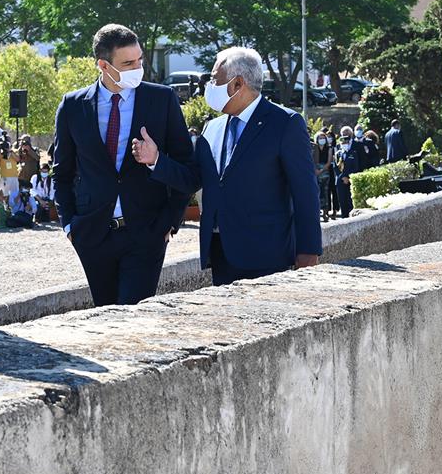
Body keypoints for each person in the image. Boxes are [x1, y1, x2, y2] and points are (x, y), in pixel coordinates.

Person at [138, 46, 320, 286]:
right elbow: (194, 178)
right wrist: (156, 161)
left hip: (267, 254)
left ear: (237, 84)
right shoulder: (211, 128)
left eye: (215, 79)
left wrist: (308, 251)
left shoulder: (284, 123)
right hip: (221, 252)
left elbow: (305, 192)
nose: (209, 86)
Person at [52, 23, 194, 306]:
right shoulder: (72, 106)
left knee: (134, 317)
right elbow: (61, 173)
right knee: (104, 317)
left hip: (146, 233)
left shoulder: (162, 100)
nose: (138, 67)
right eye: (128, 63)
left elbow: (188, 170)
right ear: (103, 65)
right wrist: (69, 225)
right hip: (92, 234)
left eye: (139, 60)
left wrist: (170, 219)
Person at [334, 127, 363, 218]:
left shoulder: (353, 153)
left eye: (346, 142)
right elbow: (336, 167)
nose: (344, 144)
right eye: (342, 142)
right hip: (340, 180)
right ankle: (344, 217)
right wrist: (342, 177)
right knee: (342, 200)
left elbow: (355, 167)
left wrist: (348, 177)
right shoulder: (338, 154)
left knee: (350, 200)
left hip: (350, 179)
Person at [313, 131, 333, 223]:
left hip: (325, 172)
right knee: (315, 193)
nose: (322, 140)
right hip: (314, 171)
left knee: (325, 193)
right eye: (320, 138)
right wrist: (315, 170)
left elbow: (329, 162)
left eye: (323, 138)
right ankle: (317, 213)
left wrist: (321, 170)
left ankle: (325, 213)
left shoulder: (329, 148)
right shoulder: (314, 148)